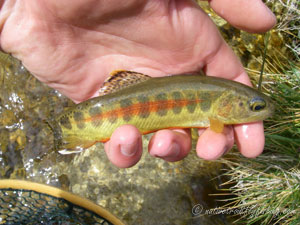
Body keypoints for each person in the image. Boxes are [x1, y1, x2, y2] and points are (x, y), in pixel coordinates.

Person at [0, 0, 276, 168]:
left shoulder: (219, 101)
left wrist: (13, 9)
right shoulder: (217, 108)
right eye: (255, 107)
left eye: (255, 106)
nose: (260, 110)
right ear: (227, 106)